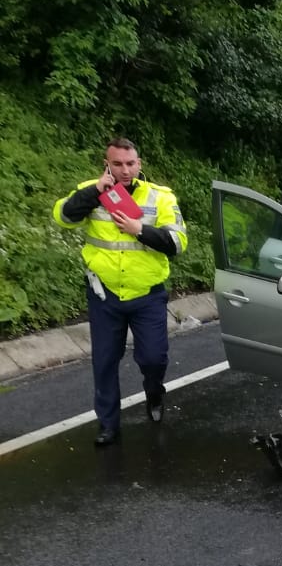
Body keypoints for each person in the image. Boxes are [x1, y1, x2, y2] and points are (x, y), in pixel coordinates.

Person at [52, 137, 188, 446]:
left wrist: (139, 230)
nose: (124, 170)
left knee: (153, 358)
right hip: (105, 295)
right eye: (117, 164)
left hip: (147, 295)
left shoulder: (160, 197)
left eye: (130, 164)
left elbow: (178, 243)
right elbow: (62, 216)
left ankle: (154, 391)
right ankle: (108, 424)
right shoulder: (92, 191)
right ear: (107, 165)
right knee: (104, 361)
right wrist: (95, 191)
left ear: (139, 164)